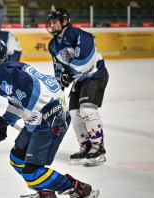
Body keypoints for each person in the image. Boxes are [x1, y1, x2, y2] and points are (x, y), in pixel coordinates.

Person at [0, 38, 99, 198]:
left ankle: (79, 189)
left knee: (32, 172)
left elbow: (31, 88)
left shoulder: (1, 75)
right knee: (17, 159)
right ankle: (46, 194)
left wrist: (51, 110)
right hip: (42, 118)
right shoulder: (10, 68)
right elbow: (21, 99)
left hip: (48, 122)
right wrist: (4, 121)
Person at [46, 8, 109, 166]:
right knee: (74, 114)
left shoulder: (77, 34)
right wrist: (57, 86)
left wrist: (70, 73)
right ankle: (86, 146)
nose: (52, 25)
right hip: (79, 79)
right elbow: (59, 69)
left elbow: (86, 58)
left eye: (55, 22)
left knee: (87, 109)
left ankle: (98, 148)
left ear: (65, 21)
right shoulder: (53, 45)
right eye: (50, 23)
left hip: (95, 74)